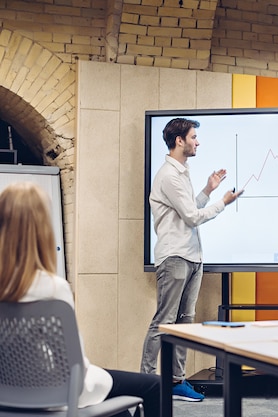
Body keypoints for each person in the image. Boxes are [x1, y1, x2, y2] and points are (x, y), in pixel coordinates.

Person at [0, 182, 161, 417]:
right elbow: (73, 365)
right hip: (58, 392)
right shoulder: (53, 288)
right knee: (154, 385)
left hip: (7, 394)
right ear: (42, 230)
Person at [140, 117, 243, 401]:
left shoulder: (182, 172)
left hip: (192, 257)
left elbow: (188, 208)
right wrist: (222, 202)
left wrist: (208, 190)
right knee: (164, 321)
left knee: (185, 320)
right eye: (194, 137)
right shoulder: (169, 175)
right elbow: (192, 216)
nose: (198, 142)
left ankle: (175, 381)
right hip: (174, 257)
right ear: (179, 141)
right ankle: (147, 382)